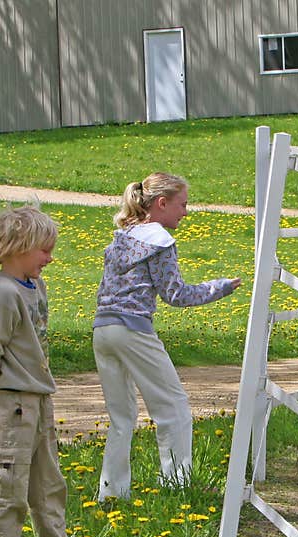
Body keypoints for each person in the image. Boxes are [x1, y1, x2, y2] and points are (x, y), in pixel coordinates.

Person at [93, 172, 241, 503]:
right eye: (183, 204)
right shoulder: (159, 241)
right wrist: (220, 287)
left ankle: (111, 494)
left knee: (121, 418)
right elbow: (175, 294)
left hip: (103, 329)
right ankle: (177, 487)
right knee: (172, 408)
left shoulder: (121, 238)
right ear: (162, 203)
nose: (186, 213)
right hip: (133, 330)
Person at [0, 205, 90, 537]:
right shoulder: (3, 295)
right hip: (14, 402)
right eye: (44, 250)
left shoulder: (35, 286)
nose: (50, 258)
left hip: (40, 399)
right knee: (10, 482)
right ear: (18, 247)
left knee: (48, 480)